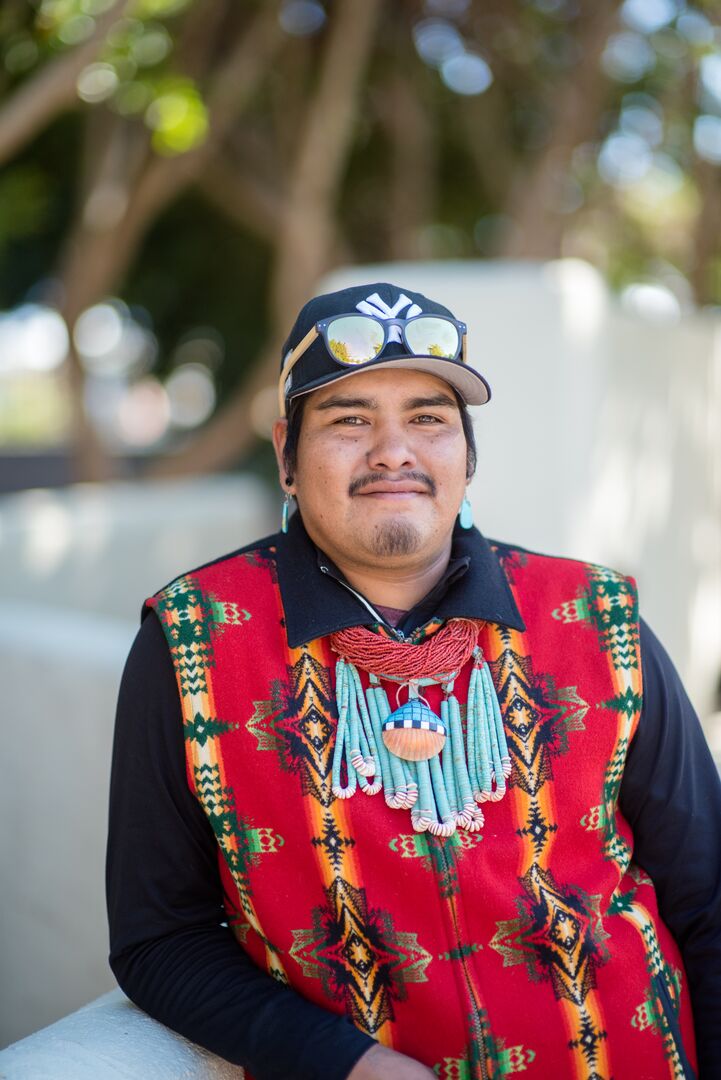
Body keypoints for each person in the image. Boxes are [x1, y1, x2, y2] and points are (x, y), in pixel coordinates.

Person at [107, 282, 721, 1080]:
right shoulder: (192, 640)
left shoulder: (596, 619)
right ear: (286, 456)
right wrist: (348, 1064)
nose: (393, 450)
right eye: (349, 419)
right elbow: (159, 940)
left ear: (469, 455)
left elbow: (706, 896)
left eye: (428, 418)